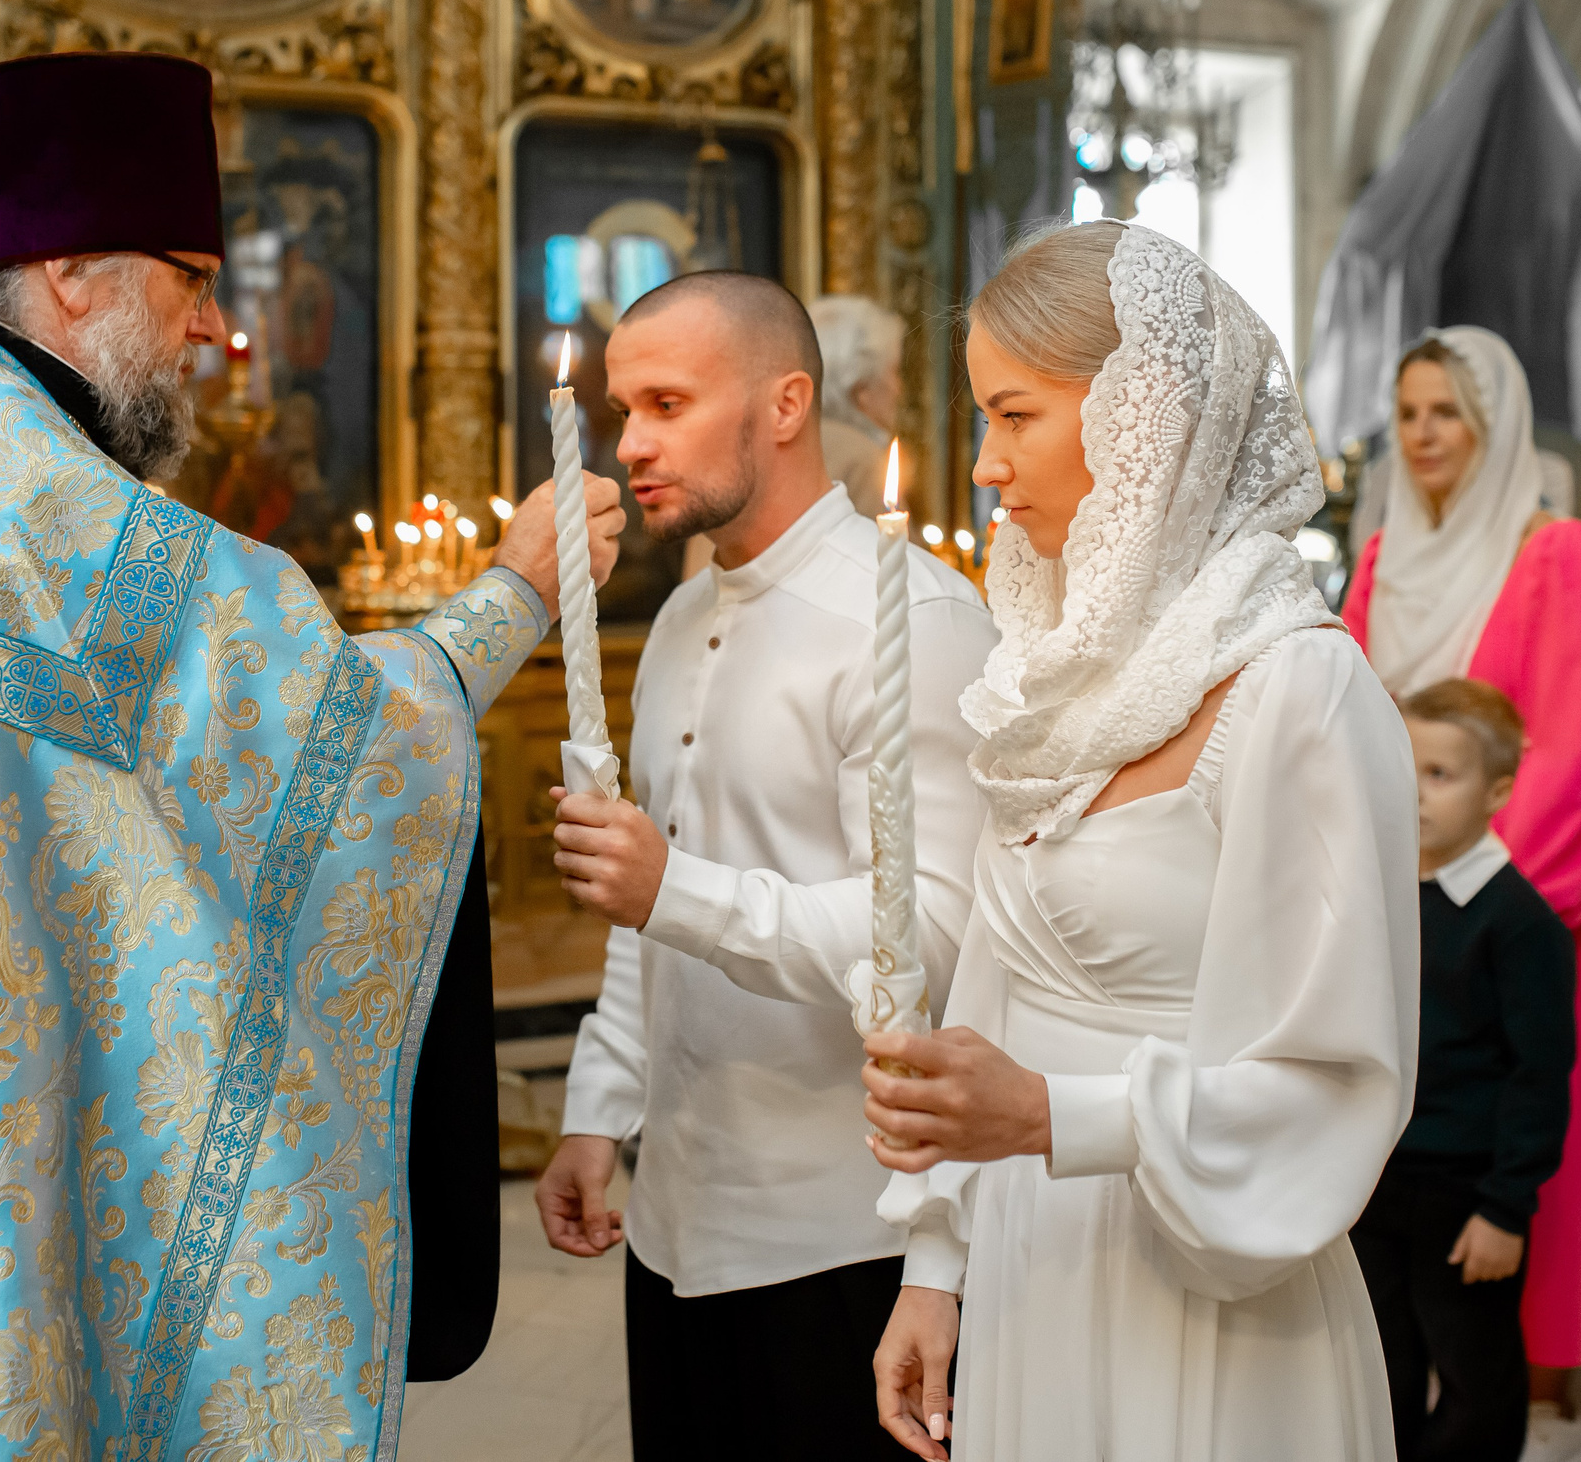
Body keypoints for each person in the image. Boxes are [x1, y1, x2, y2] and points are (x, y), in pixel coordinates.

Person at [0, 51, 627, 1458]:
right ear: (75, 270)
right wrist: (514, 585)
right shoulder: (34, 497)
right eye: (189, 276)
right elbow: (326, 729)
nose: (212, 325)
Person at [857, 220, 1416, 1460]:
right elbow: (993, 998)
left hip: (1214, 1281)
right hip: (1030, 1255)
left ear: (1141, 419)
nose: (988, 467)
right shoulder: (1044, 687)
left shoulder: (1297, 692)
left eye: (1014, 417)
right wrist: (934, 1263)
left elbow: (1339, 1086)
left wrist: (1057, 1117)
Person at [537, 269, 995, 1462]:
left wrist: (670, 892)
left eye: (667, 404)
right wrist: (601, 1103)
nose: (628, 444)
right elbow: (646, 913)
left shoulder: (912, 623)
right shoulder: (686, 616)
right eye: (620, 409)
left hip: (845, 1233)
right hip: (677, 1217)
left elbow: (932, 943)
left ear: (785, 404)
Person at [1344, 327, 1581, 1462]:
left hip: (1513, 911)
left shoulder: (1559, 552)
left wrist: (1465, 897)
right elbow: (1346, 720)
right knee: (1408, 1194)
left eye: (1447, 413)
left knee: (1515, 1169)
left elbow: (1572, 753)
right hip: (1390, 908)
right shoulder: (1381, 556)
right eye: (1408, 412)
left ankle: (1536, 1408)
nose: (1422, 436)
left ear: (1495, 425)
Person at [1355, 679, 1575, 1462]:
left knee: (1475, 1374)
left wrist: (1507, 1207)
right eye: (1404, 766)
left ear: (1499, 791)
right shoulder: (1381, 893)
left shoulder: (1518, 922)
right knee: (1382, 1362)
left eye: (1440, 775)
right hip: (1376, 1178)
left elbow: (1539, 1074)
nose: (1414, 793)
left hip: (1466, 1194)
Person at [810, 294, 905, 517]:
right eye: (894, 371)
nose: (898, 389)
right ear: (861, 389)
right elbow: (896, 549)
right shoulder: (864, 460)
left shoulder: (786, 444)